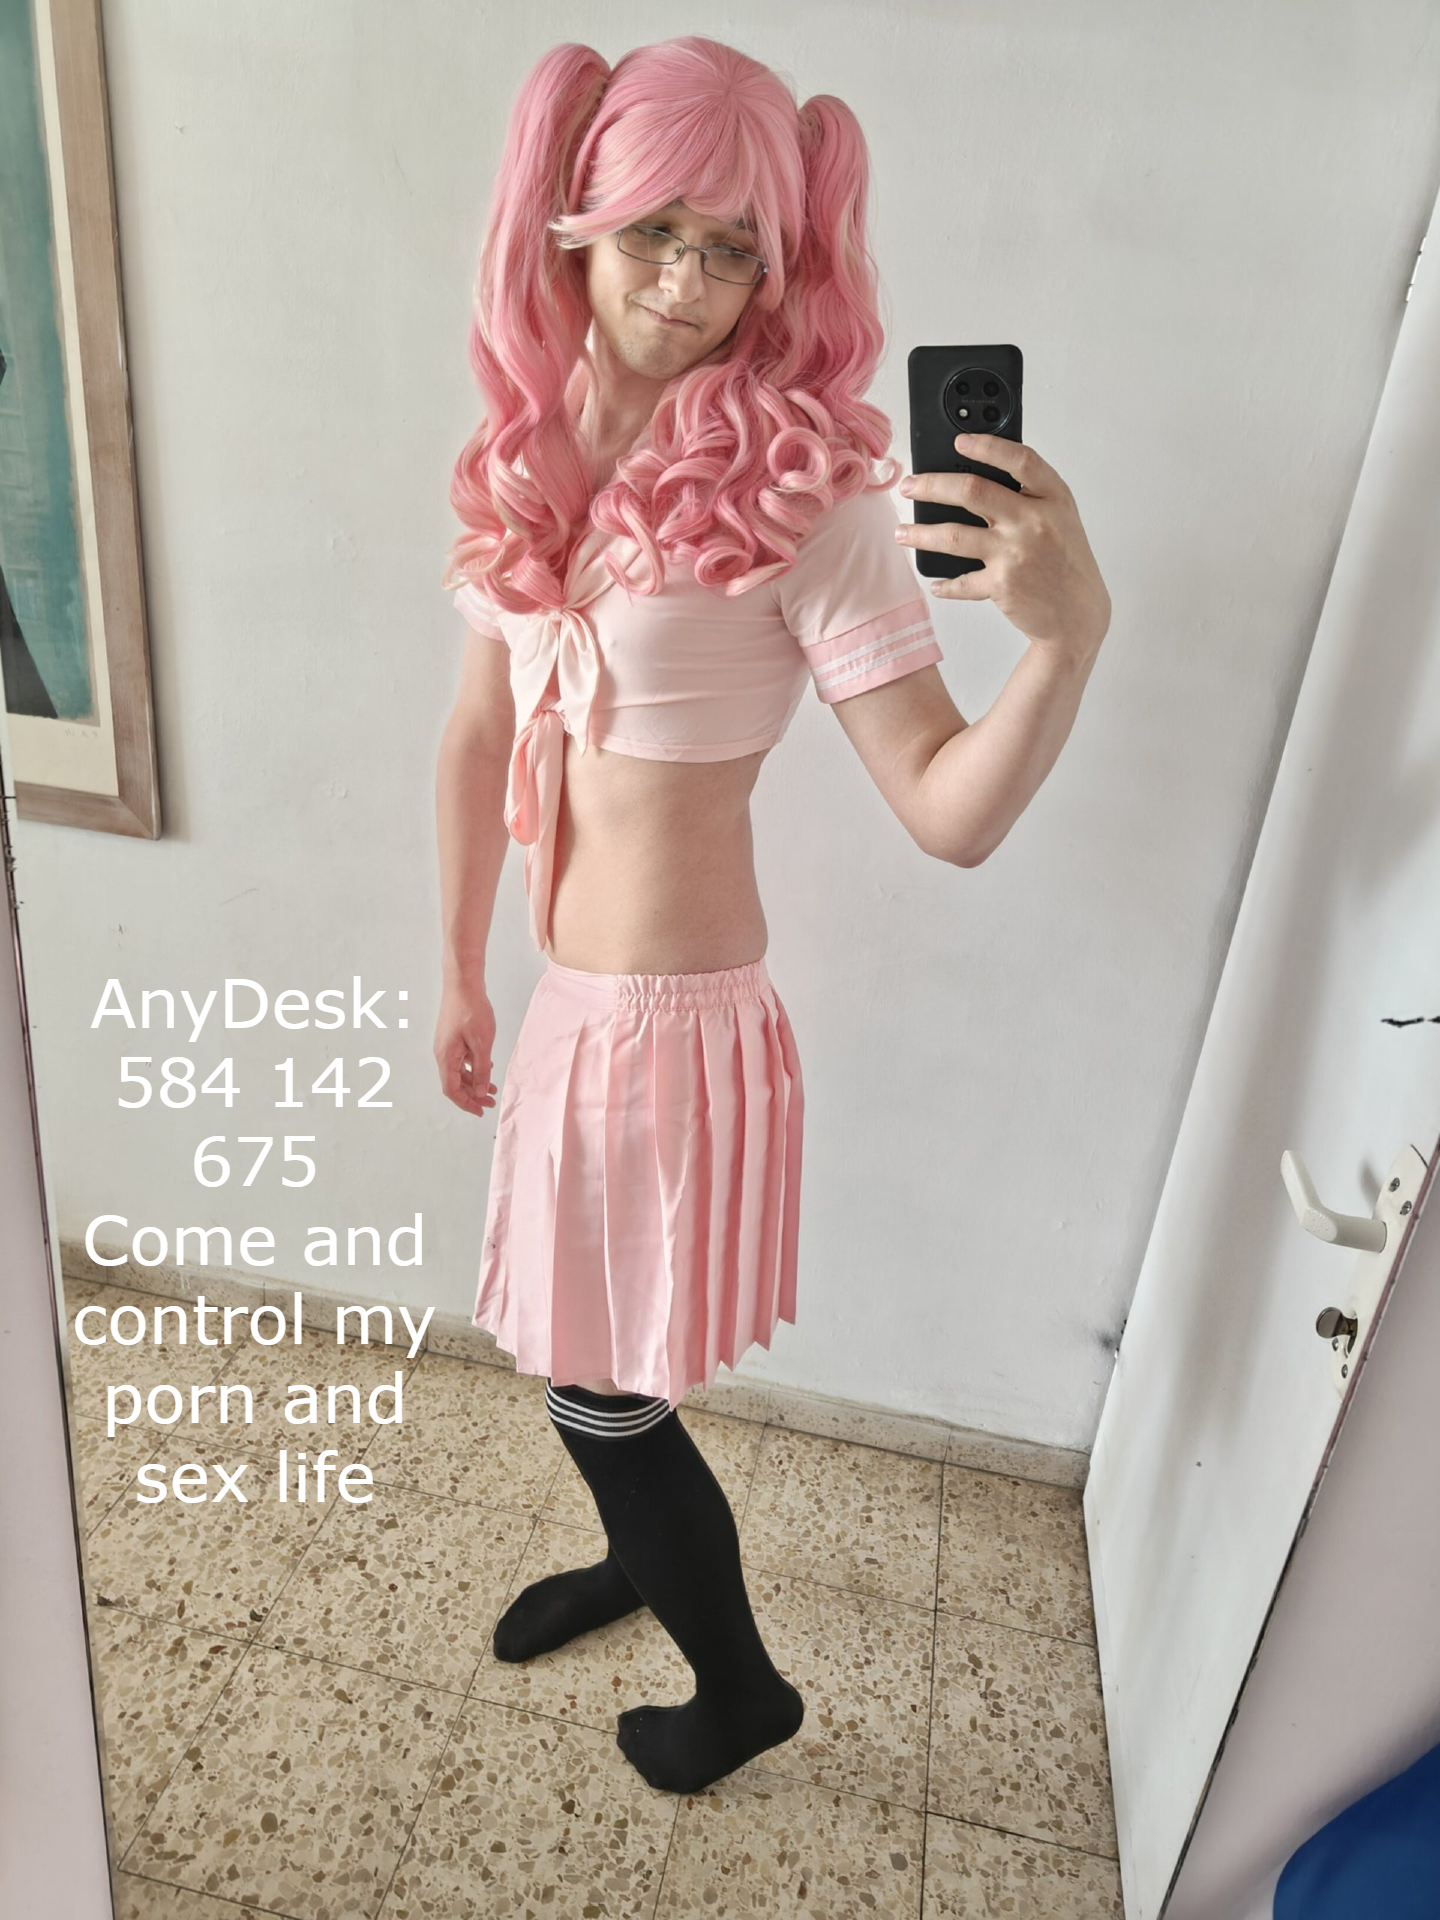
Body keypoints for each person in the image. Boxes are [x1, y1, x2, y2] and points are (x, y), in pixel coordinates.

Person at [433, 35, 1110, 1798]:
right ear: (575, 222)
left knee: (595, 1389)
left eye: (733, 247)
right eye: (656, 230)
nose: (688, 280)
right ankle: (631, 1557)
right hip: (566, 1002)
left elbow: (948, 809)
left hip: (666, 1028)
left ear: (777, 268)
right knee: (600, 1365)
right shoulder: (532, 453)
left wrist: (1066, 645)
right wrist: (456, 970)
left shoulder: (801, 499)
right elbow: (480, 731)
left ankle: (738, 1691)